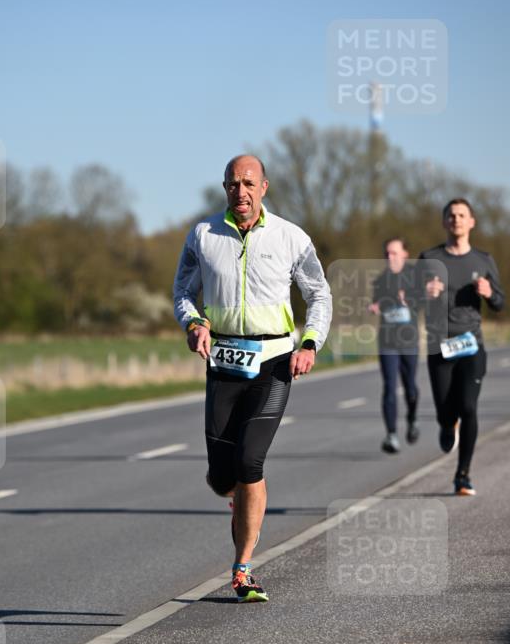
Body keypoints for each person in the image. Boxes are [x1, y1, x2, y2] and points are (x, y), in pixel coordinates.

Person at [173, 154, 332, 602]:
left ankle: (243, 569)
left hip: (275, 360)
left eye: (247, 183)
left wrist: (310, 342)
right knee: (222, 474)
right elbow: (183, 291)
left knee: (250, 463)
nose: (239, 192)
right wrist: (193, 323)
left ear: (264, 187)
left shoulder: (290, 237)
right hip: (223, 362)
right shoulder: (203, 236)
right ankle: (238, 498)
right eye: (231, 184)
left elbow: (319, 292)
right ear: (224, 189)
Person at [419, 198, 504, 495]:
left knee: (468, 406)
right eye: (451, 215)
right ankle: (446, 424)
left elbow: (500, 303)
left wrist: (490, 293)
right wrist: (425, 292)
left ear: (471, 222)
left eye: (462, 215)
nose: (456, 219)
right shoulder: (429, 257)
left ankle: (463, 475)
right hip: (438, 346)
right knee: (446, 411)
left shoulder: (483, 259)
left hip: (471, 345)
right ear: (444, 222)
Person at [368, 238, 420, 453]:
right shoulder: (381, 279)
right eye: (387, 253)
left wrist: (411, 301)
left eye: (394, 253)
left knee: (410, 387)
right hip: (387, 340)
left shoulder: (415, 276)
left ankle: (412, 419)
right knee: (389, 386)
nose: (390, 257)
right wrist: (375, 306)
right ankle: (391, 435)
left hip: (409, 340)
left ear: (405, 253)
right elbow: (376, 301)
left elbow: (426, 302)